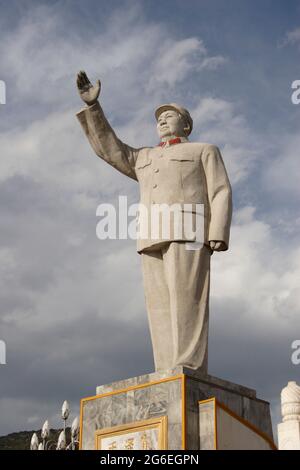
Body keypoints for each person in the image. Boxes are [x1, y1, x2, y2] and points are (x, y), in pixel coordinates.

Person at [76, 71, 232, 373]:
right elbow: (110, 149)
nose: (162, 120)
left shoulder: (203, 150)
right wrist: (94, 109)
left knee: (188, 301)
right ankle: (165, 367)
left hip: (189, 231)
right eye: (159, 118)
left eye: (169, 115)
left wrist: (218, 232)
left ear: (185, 124)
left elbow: (221, 190)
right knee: (158, 307)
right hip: (150, 235)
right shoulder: (143, 156)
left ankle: (188, 364)